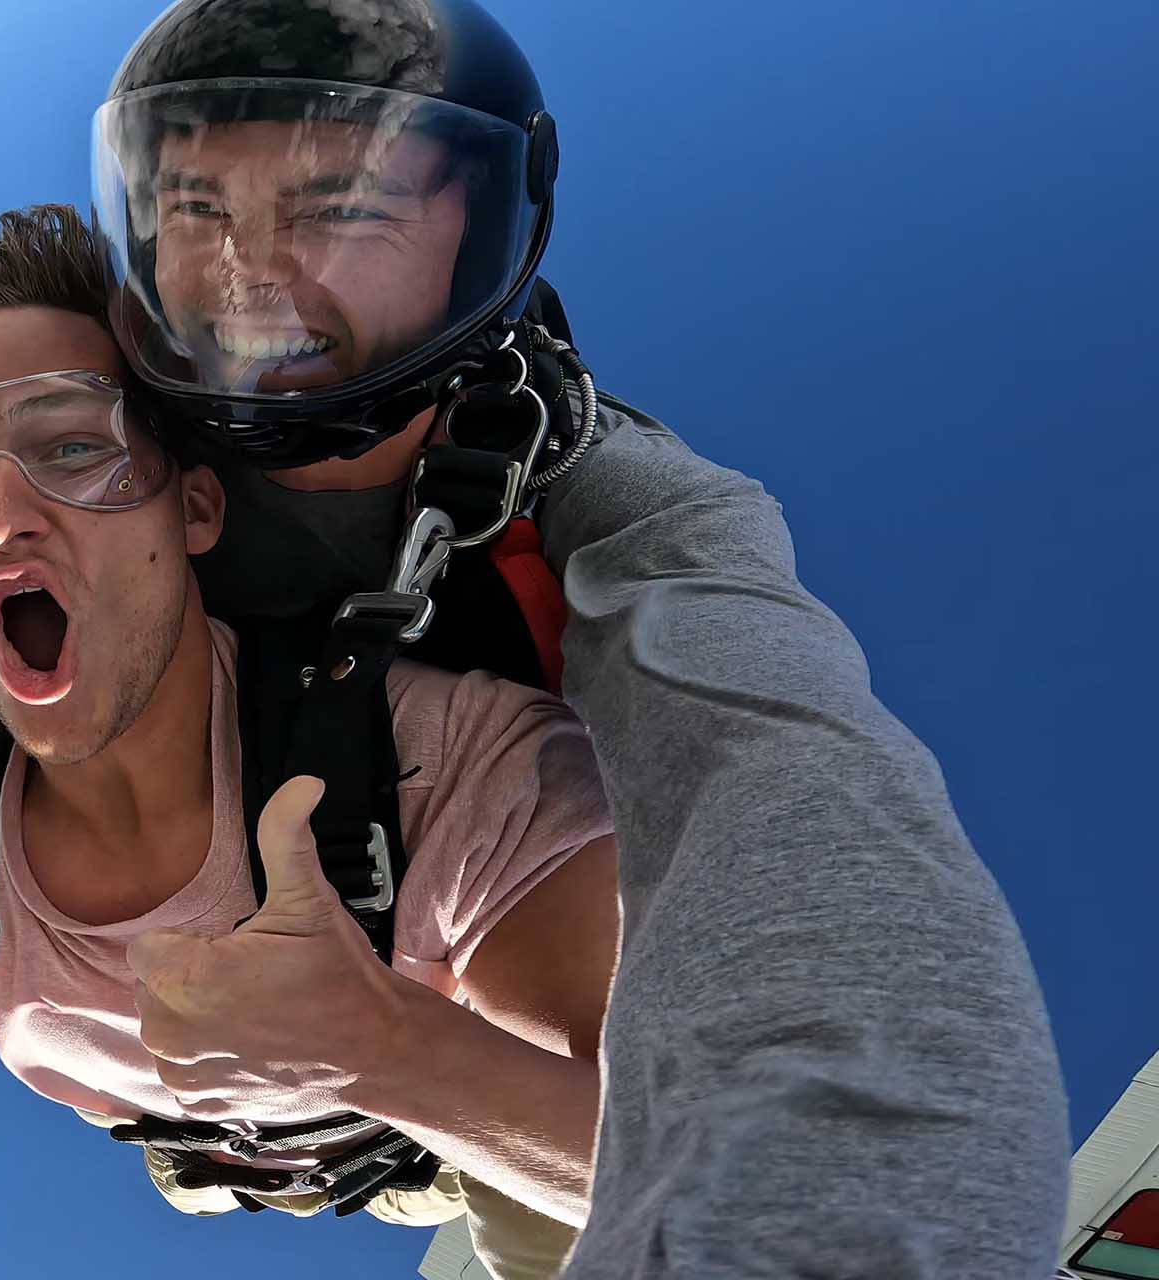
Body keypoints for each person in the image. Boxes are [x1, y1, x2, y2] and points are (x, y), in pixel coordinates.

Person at [88, 1, 1072, 1276]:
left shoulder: (618, 499)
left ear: (477, 230)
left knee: (572, 1189)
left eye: (342, 206)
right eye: (197, 210)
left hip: (499, 1045)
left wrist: (848, 1205)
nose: (252, 276)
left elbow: (779, 777)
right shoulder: (64, 441)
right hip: (197, 1080)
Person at [0, 206, 616, 1277]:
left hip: (455, 1140)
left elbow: (706, 1145)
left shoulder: (453, 769)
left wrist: (385, 1045)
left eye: (72, 445)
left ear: (196, 507)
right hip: (196, 1167)